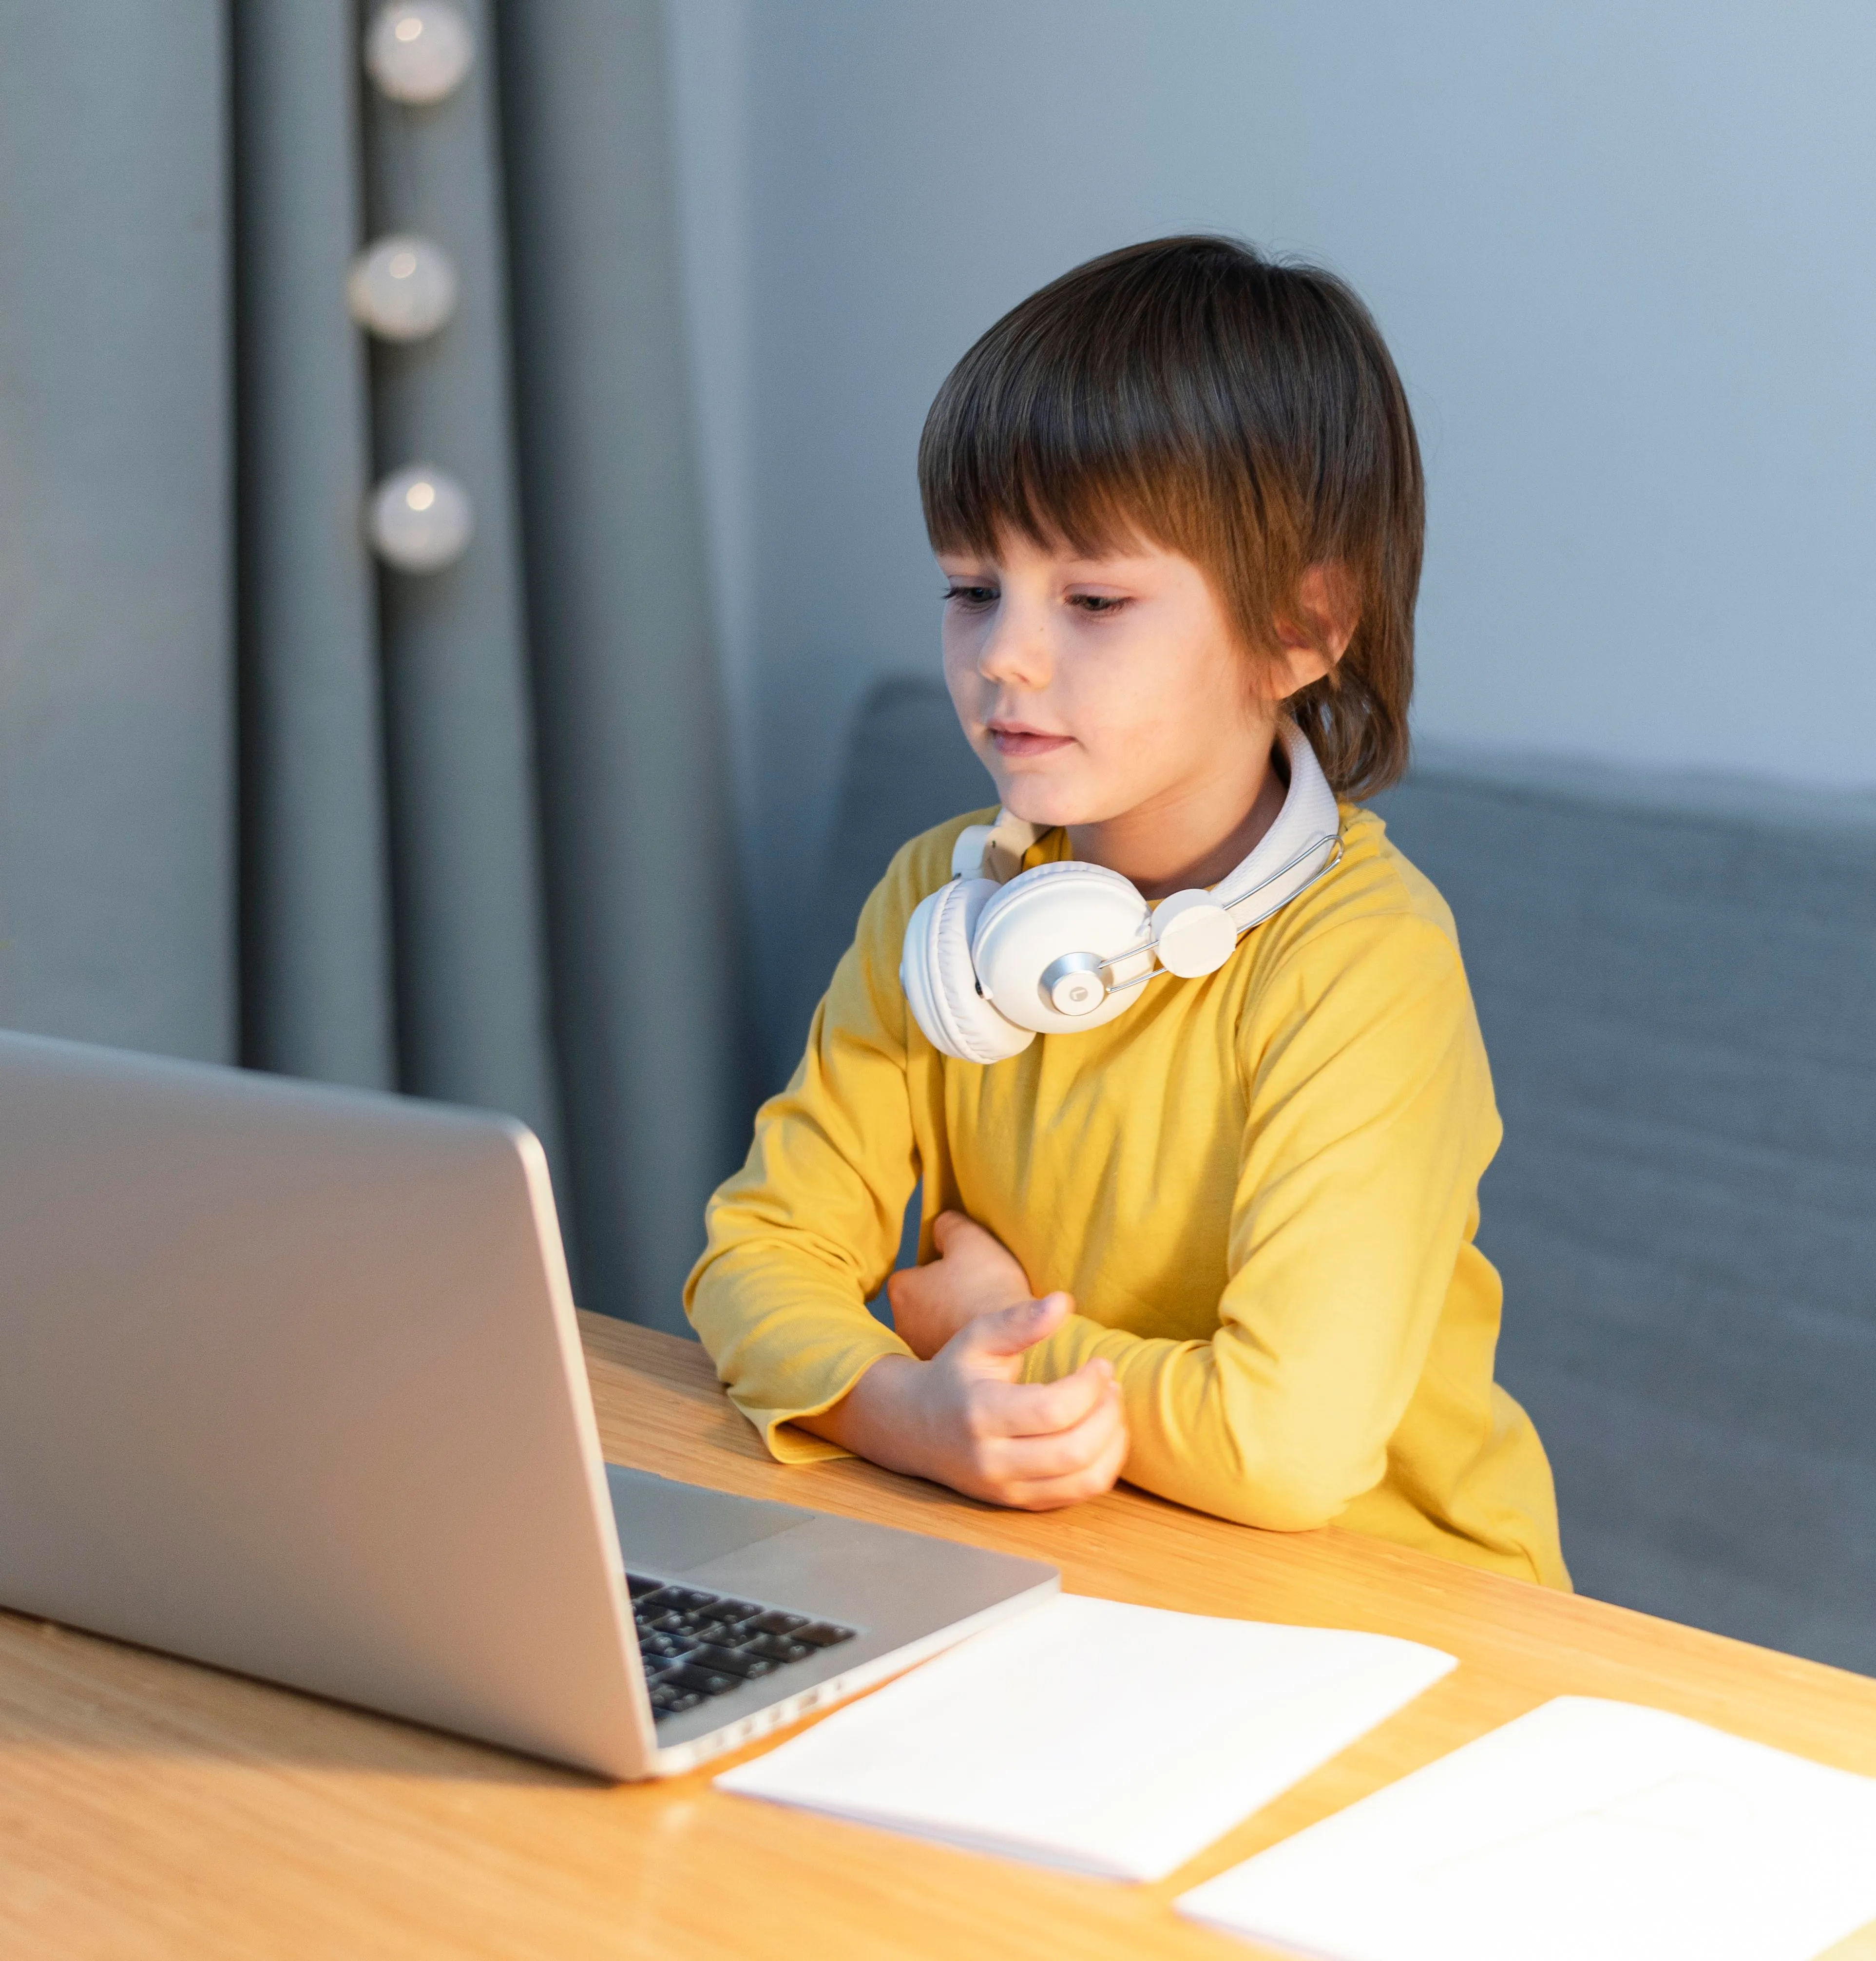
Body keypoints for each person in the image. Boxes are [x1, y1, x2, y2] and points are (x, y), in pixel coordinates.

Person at [685, 236, 1567, 1587]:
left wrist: (997, 1338)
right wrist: (905, 1412)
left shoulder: (1363, 962)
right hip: (1089, 1568)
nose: (1006, 656)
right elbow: (757, 1253)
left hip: (1398, 1608)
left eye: (1093, 599)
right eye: (972, 588)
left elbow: (1286, 1444)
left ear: (1302, 625)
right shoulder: (943, 898)